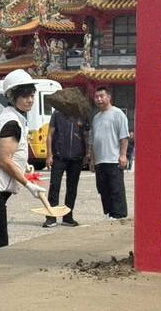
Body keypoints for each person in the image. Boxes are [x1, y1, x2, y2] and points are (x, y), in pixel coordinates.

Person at [0, 69, 47, 253]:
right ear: (12, 97)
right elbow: (4, 161)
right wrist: (28, 184)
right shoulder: (11, 122)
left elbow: (11, 154)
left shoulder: (14, 117)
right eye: (24, 96)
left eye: (32, 95)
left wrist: (23, 164)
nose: (29, 100)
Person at [89, 87, 129, 219]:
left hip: (113, 159)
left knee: (116, 188)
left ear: (109, 97)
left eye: (101, 96)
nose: (99, 99)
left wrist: (123, 155)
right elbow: (93, 140)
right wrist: (92, 159)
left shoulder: (118, 114)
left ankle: (119, 214)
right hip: (100, 160)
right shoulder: (96, 118)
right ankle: (110, 213)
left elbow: (123, 136)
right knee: (103, 188)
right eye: (96, 97)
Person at [43, 109, 87, 228]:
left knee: (72, 188)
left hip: (76, 158)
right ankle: (51, 218)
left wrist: (86, 154)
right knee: (54, 186)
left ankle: (68, 217)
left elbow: (86, 135)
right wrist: (49, 155)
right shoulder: (57, 114)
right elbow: (50, 135)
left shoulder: (81, 114)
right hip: (59, 157)